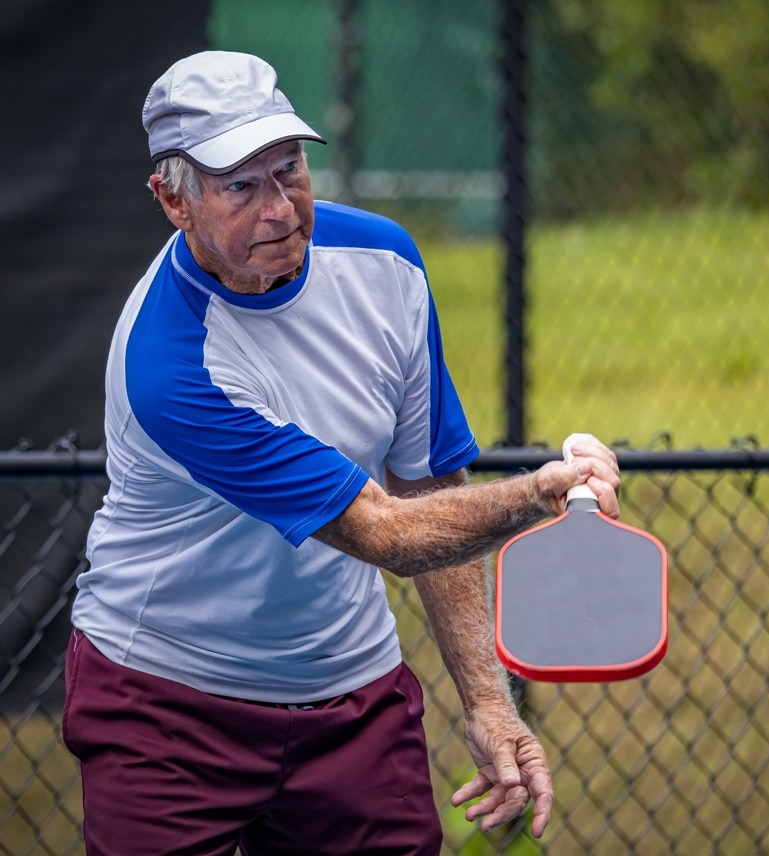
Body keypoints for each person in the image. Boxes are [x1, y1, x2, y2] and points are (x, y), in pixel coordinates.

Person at [62, 50, 621, 855]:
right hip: (166, 702)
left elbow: (425, 483)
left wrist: (489, 704)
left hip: (349, 695)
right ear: (172, 200)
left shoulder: (386, 261)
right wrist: (539, 493)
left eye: (288, 170)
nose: (281, 209)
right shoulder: (171, 366)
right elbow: (388, 532)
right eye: (240, 187)